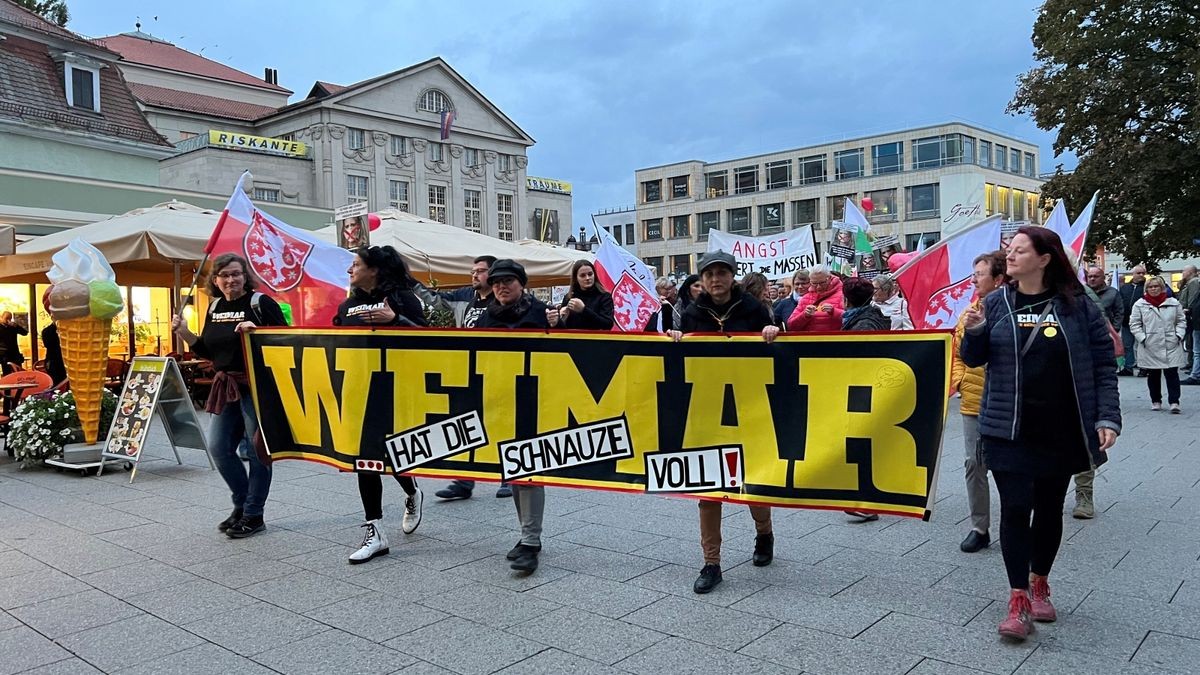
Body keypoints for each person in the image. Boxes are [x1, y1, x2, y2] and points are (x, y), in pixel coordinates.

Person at [961, 227, 1120, 642]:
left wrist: (1107, 417)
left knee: (1049, 508)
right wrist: (975, 330)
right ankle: (1017, 599)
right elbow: (974, 359)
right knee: (1015, 508)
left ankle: (1040, 582)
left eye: (1018, 251)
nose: (1008, 257)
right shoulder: (995, 303)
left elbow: (1104, 366)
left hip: (1062, 427)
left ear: (1045, 258)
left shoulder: (1079, 306)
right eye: (1007, 251)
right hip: (1006, 426)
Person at [668, 250, 779, 594]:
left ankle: (764, 534)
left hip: (748, 407)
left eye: (722, 273)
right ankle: (711, 562)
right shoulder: (691, 313)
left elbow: (775, 352)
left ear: (732, 276)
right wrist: (673, 341)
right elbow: (681, 361)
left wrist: (775, 331)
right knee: (708, 489)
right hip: (707, 410)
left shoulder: (754, 310)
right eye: (709, 274)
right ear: (701, 280)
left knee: (754, 480)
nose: (716, 279)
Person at [172, 253, 289, 538]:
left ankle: (254, 514)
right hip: (226, 386)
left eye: (236, 274)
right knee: (219, 447)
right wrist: (186, 333)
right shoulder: (214, 307)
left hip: (257, 387)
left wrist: (257, 331)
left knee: (257, 451)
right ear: (215, 280)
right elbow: (209, 351)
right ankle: (242, 504)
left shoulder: (260, 303)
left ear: (245, 276)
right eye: (223, 275)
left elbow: (286, 341)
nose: (230, 279)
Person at [334, 246, 428, 563]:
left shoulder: (403, 298)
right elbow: (330, 341)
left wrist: (396, 319)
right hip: (359, 391)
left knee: (391, 453)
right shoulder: (348, 305)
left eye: (356, 264)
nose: (350, 269)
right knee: (365, 459)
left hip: (399, 391)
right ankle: (375, 531)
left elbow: (432, 341)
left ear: (374, 269)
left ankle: (412, 492)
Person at [477, 259, 551, 574]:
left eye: (507, 281)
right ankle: (526, 535)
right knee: (515, 471)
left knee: (529, 468)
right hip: (500, 403)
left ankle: (531, 541)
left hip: (537, 402)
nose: (501, 287)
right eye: (496, 282)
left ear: (522, 283)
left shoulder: (542, 314)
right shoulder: (484, 319)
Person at [435, 255, 512, 501]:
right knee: (465, 424)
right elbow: (436, 302)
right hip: (468, 370)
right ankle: (464, 479)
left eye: (480, 271)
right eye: (473, 271)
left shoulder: (502, 301)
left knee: (500, 423)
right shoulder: (468, 299)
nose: (475, 275)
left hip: (496, 371)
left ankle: (508, 476)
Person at [952, 251, 1008, 552]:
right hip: (974, 403)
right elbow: (957, 353)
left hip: (1007, 403)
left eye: (979, 275)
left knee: (1010, 468)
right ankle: (979, 526)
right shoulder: (968, 313)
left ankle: (1018, 526)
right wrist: (960, 379)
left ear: (998, 279)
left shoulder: (1013, 311)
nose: (973, 280)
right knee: (974, 464)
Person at [1129, 275, 1187, 414]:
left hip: (1170, 343)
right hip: (1150, 344)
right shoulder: (1140, 304)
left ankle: (1174, 402)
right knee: (1153, 374)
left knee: (1172, 373)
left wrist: (1178, 335)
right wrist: (1142, 338)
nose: (1153, 289)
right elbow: (1134, 323)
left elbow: (1181, 320)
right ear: (1146, 289)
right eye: (1150, 287)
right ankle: (1156, 400)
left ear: (1162, 288)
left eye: (1156, 286)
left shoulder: (1173, 302)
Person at [552, 260, 614, 330]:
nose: (587, 278)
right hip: (573, 339)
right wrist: (559, 319)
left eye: (590, 274)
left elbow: (607, 325)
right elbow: (562, 328)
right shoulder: (569, 297)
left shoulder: (604, 297)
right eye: (582, 275)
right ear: (576, 278)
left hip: (596, 339)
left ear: (595, 275)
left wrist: (583, 310)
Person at [786, 265, 843, 332]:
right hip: (810, 341)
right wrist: (804, 315)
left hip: (836, 340)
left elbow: (852, 319)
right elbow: (791, 326)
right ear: (810, 281)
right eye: (814, 283)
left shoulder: (842, 295)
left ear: (829, 278)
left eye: (822, 283)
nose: (818, 287)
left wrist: (834, 311)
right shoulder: (805, 298)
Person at [1118, 265, 1147, 375]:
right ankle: (1128, 367)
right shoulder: (1125, 288)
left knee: (1142, 344)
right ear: (1133, 274)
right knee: (1127, 345)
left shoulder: (1146, 287)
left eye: (1143, 273)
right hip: (1126, 321)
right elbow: (1120, 303)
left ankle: (1143, 367)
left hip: (1142, 321)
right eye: (1138, 273)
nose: (1141, 275)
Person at [1179, 265, 1200, 385]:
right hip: (1194, 318)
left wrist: (1188, 309)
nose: (1182, 273)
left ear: (1190, 272)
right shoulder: (1189, 283)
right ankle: (1194, 369)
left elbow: (1192, 299)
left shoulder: (1194, 283)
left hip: (1194, 318)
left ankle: (1195, 374)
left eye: (1184, 270)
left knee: (1196, 348)